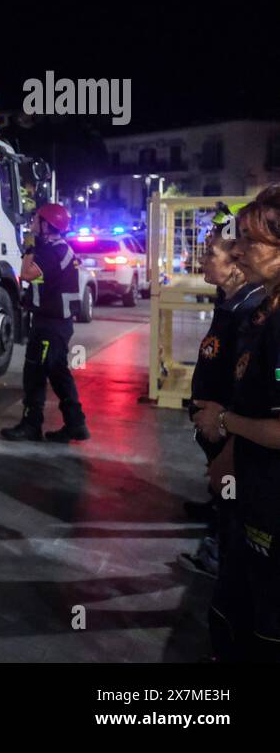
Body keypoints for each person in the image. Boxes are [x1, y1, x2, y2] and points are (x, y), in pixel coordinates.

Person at [194, 185, 280, 662]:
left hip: (270, 503)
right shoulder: (263, 311)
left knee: (260, 628)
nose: (240, 250)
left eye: (252, 241)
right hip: (250, 490)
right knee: (234, 609)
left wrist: (224, 422)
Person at [180, 203, 263, 659]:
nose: (202, 260)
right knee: (223, 499)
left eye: (211, 253)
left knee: (234, 517)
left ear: (235, 264)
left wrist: (224, 429)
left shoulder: (251, 314)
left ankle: (221, 547)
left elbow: (244, 388)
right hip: (214, 434)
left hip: (228, 439)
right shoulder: (230, 303)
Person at [0, 202, 91, 442]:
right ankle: (76, 423)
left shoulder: (51, 251)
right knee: (59, 374)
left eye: (36, 220)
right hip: (57, 324)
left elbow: (26, 273)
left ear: (46, 225)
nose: (31, 224)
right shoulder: (60, 248)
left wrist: (30, 247)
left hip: (49, 325)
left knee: (35, 373)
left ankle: (32, 425)